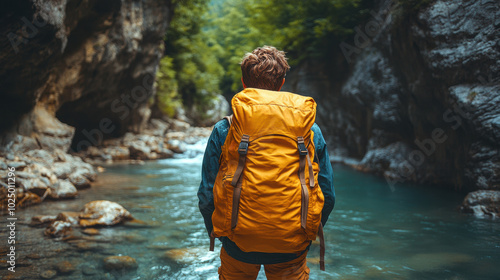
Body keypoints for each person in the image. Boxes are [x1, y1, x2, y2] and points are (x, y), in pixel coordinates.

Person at [198, 46, 335, 280]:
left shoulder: (225, 129)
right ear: (282, 83)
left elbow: (207, 194)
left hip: (236, 244)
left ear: (244, 82)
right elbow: (327, 194)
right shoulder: (310, 130)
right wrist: (307, 232)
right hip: (293, 242)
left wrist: (221, 234)